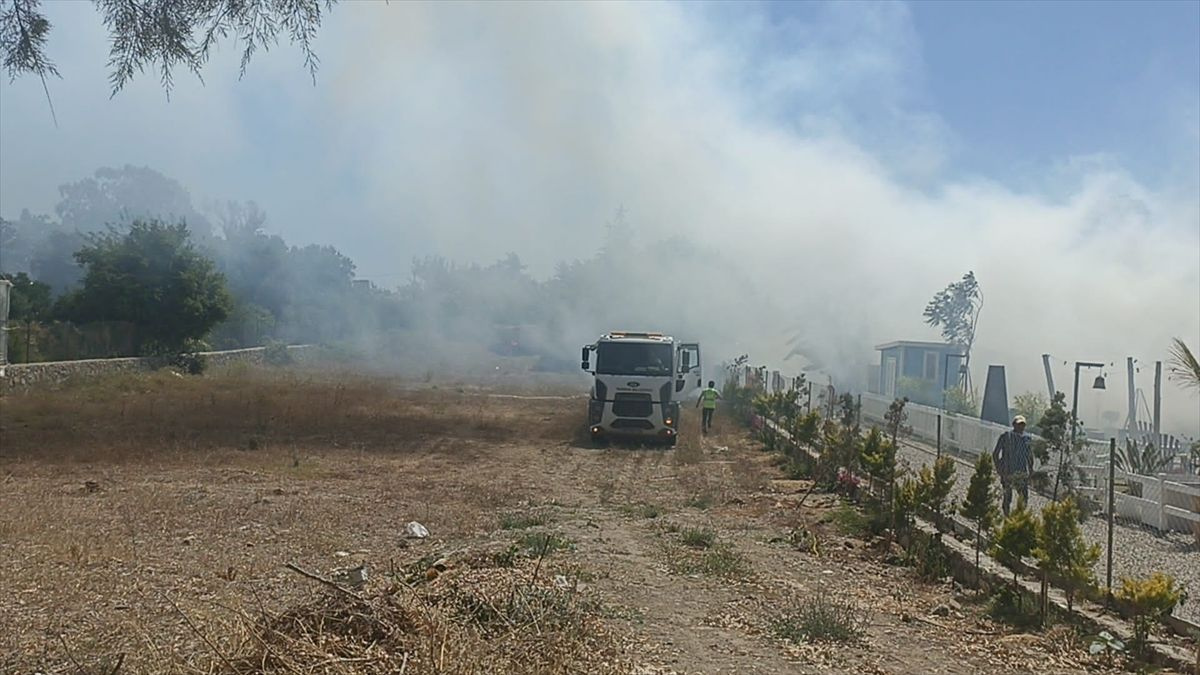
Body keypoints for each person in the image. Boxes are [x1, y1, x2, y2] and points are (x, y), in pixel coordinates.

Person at [993, 415, 1033, 516]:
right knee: (1007, 496)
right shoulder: (1006, 436)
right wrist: (999, 468)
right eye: (1019, 424)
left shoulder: (1027, 439)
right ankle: (1007, 517)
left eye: (1023, 425)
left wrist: (1031, 470)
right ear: (1014, 425)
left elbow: (1029, 456)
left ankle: (1019, 518)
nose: (1021, 427)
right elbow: (996, 453)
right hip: (1008, 471)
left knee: (1023, 497)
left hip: (1021, 471)